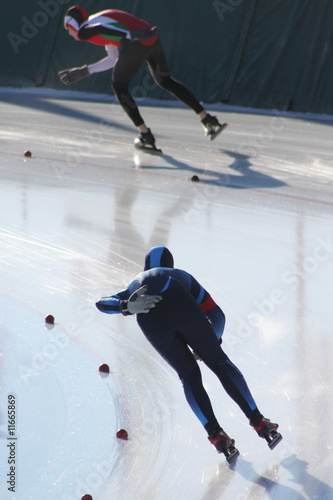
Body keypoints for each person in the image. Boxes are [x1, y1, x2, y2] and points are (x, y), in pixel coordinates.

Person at [95, 246, 282, 461]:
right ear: (170, 264)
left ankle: (216, 435)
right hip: (181, 303)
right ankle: (259, 422)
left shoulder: (134, 284)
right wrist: (212, 341)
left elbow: (101, 303)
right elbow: (217, 316)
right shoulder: (180, 275)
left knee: (188, 375)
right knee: (219, 362)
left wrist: (126, 306)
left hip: (149, 318)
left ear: (145, 267)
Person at [59, 6, 226, 151]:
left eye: (68, 28)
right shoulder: (98, 20)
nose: (69, 33)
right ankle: (207, 120)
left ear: (73, 24)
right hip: (150, 37)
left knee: (119, 86)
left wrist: (131, 36)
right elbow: (112, 58)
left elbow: (99, 30)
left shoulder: (84, 30)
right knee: (165, 80)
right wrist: (85, 71)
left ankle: (145, 135)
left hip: (137, 40)